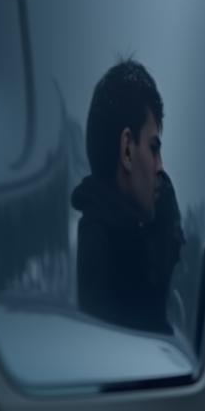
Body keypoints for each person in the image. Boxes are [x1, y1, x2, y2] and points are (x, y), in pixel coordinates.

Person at [71, 58, 184, 333]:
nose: (160, 166)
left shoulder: (109, 235)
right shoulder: (108, 251)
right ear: (127, 151)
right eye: (153, 148)